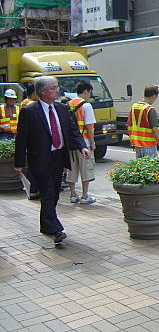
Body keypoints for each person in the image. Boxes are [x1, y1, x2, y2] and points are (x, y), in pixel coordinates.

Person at [14, 76, 90, 243]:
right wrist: (19, 164)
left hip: (58, 158)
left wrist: (82, 146)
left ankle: (45, 225)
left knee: (54, 194)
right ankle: (56, 229)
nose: (58, 90)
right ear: (43, 91)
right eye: (54, 88)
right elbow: (22, 139)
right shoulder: (29, 112)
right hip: (40, 159)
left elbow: (72, 131)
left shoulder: (62, 109)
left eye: (57, 87)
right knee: (48, 193)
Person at [67, 80, 97, 204]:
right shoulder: (86, 105)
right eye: (89, 93)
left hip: (71, 142)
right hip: (84, 143)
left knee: (71, 169)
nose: (89, 95)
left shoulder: (68, 103)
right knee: (86, 169)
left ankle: (73, 195)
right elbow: (89, 126)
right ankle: (85, 196)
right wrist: (92, 142)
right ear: (85, 91)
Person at [127, 85, 159, 158]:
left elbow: (129, 125)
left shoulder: (134, 107)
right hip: (148, 145)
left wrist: (132, 141)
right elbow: (154, 129)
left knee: (140, 167)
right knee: (151, 167)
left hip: (137, 144)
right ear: (153, 96)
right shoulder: (149, 109)